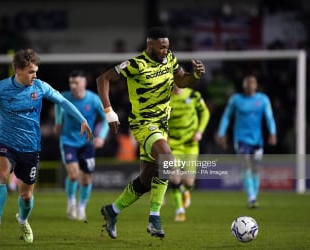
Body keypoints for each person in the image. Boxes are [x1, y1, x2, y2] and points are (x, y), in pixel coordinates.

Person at [0, 49, 93, 243]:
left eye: (36, 71)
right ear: (18, 70)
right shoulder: (1, 89)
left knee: (26, 196)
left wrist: (82, 119)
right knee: (0, 175)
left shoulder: (40, 87)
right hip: (5, 142)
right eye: (31, 71)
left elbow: (63, 102)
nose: (35, 75)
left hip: (31, 147)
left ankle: (23, 220)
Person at [96, 27, 206, 239]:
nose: (166, 50)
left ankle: (113, 210)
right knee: (166, 159)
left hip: (162, 126)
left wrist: (196, 76)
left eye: (167, 46)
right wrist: (109, 112)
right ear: (150, 46)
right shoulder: (136, 64)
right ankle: (155, 218)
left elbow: (181, 81)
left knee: (146, 181)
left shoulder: (170, 59)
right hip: (143, 124)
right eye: (162, 47)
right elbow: (103, 79)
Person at [55, 70, 109, 221]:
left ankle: (82, 207)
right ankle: (71, 202)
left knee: (86, 179)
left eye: (76, 82)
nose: (73, 85)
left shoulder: (93, 99)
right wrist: (58, 122)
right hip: (68, 140)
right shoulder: (64, 96)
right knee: (73, 175)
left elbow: (106, 119)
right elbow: (57, 105)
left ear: (84, 83)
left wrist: (101, 137)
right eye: (71, 82)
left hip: (87, 143)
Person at [217, 75, 277, 209]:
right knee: (246, 167)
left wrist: (273, 132)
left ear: (256, 86)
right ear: (244, 85)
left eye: (252, 83)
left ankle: (254, 197)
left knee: (255, 169)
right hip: (241, 139)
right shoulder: (236, 100)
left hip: (257, 140)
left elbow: (269, 117)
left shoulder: (263, 99)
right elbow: (226, 117)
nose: (250, 86)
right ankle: (251, 198)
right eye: (247, 83)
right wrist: (222, 133)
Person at [168, 85, 210, 222]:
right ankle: (179, 210)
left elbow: (205, 113)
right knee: (174, 177)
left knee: (188, 181)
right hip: (173, 144)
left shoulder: (193, 95)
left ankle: (186, 190)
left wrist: (200, 131)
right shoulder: (165, 97)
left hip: (190, 145)